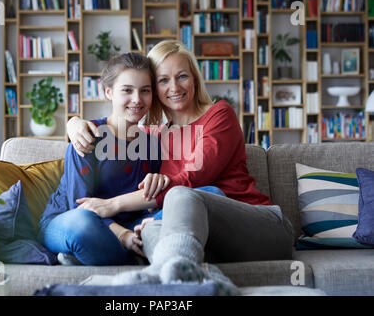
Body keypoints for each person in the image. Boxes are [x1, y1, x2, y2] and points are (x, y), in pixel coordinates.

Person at [67, 40, 294, 295]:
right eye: (163, 80)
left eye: (182, 76)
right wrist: (74, 123)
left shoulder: (219, 115)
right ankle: (194, 282)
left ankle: (159, 279)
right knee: (150, 231)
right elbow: (116, 125)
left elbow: (194, 178)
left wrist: (114, 204)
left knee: (184, 195)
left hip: (258, 227)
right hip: (201, 237)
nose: (174, 87)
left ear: (195, 79)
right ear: (154, 89)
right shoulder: (153, 136)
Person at [37, 52, 171, 266]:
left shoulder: (151, 145)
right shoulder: (87, 136)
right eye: (127, 90)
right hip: (70, 219)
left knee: (195, 201)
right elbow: (79, 205)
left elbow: (151, 204)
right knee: (82, 226)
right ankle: (130, 256)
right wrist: (124, 236)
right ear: (109, 92)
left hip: (129, 223)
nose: (137, 99)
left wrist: (156, 192)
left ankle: (94, 254)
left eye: (144, 91)